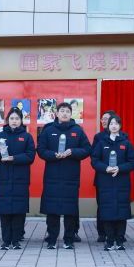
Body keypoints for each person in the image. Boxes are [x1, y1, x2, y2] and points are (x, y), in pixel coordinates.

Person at [37, 102, 92, 249]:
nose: (65, 113)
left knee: (70, 210)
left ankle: (69, 240)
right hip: (52, 176)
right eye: (62, 111)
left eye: (68, 111)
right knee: (52, 210)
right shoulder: (48, 130)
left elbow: (87, 149)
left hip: (71, 176)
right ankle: (52, 239)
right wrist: (53, 155)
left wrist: (72, 152)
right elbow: (41, 150)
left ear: (71, 114)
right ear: (57, 113)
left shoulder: (77, 130)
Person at [0, 108, 36, 249]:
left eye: (17, 118)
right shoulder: (1, 136)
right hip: (3, 178)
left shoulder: (27, 137)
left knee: (18, 210)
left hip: (20, 178)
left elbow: (30, 156)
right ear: (7, 120)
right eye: (12, 119)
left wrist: (14, 158)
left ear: (21, 120)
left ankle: (16, 240)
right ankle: (6, 241)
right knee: (4, 211)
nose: (14, 121)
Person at [94, 114, 134, 251]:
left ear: (120, 126)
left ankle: (120, 240)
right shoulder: (102, 143)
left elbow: (133, 162)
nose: (113, 126)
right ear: (108, 126)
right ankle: (109, 240)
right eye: (111, 123)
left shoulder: (126, 143)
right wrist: (105, 168)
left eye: (116, 123)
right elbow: (94, 160)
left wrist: (120, 168)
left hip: (121, 182)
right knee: (107, 211)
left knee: (121, 211)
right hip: (105, 181)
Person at [93, 110, 114, 243]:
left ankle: (117, 233)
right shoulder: (98, 137)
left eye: (107, 119)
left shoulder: (123, 136)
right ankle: (102, 233)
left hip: (118, 176)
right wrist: (105, 167)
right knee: (102, 205)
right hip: (102, 176)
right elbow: (94, 157)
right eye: (103, 119)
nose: (104, 121)